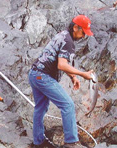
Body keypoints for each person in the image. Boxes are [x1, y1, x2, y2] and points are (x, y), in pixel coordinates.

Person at [28, 15, 94, 148]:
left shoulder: (63, 35)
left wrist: (73, 77)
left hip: (34, 74)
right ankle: (71, 142)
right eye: (83, 33)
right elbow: (62, 65)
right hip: (43, 77)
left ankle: (38, 142)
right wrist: (82, 74)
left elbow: (58, 61)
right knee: (68, 105)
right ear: (76, 27)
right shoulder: (68, 41)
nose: (83, 37)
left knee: (40, 108)